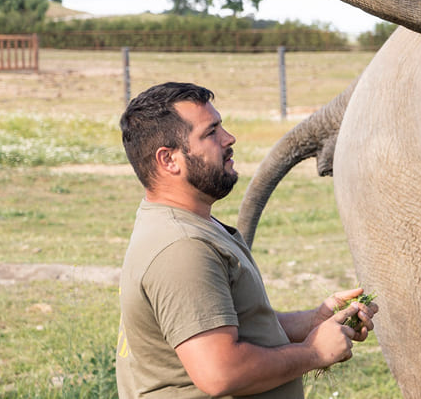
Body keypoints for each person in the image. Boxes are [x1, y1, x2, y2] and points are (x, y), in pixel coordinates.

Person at [115, 81, 377, 399]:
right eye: (210, 133)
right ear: (169, 160)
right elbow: (221, 373)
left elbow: (231, 324)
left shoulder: (191, 226)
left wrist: (314, 321)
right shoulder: (182, 249)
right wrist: (314, 353)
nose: (229, 139)